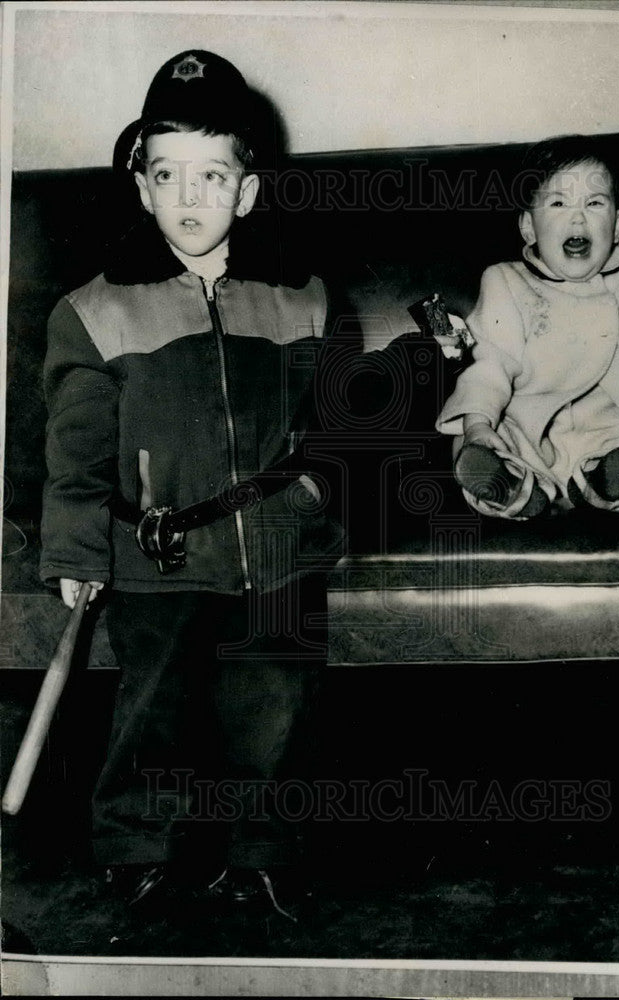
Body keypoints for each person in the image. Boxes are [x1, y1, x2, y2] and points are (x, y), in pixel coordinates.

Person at [40, 50, 347, 915]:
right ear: (140, 185)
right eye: (167, 172)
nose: (189, 196)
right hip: (158, 555)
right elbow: (75, 448)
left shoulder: (301, 297)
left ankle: (265, 852)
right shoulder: (95, 311)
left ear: (246, 191)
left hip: (278, 547)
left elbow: (337, 421)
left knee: (275, 707)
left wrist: (320, 493)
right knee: (154, 711)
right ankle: (137, 845)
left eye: (213, 174)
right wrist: (75, 545)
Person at [436, 134, 619, 518]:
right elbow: (490, 366)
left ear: (618, 224)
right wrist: (478, 426)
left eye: (594, 203)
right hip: (539, 437)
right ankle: (517, 488)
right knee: (478, 443)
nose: (577, 217)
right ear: (529, 228)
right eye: (558, 203)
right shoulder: (506, 281)